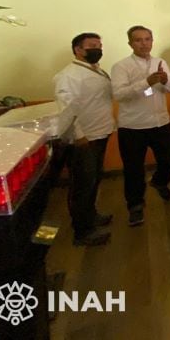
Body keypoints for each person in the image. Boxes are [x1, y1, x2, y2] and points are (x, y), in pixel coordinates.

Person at [111, 26, 170, 226]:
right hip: (133, 126)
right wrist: (146, 82)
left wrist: (166, 81)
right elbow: (119, 95)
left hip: (160, 122)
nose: (144, 43)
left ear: (152, 41)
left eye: (148, 39)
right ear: (130, 44)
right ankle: (135, 206)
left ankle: (159, 181)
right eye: (139, 40)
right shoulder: (121, 66)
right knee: (133, 169)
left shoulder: (161, 62)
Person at [53, 32, 114, 246]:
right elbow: (66, 109)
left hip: (100, 132)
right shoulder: (69, 75)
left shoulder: (96, 70)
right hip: (83, 139)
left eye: (99, 44)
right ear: (78, 50)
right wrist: (78, 135)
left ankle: (91, 216)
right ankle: (82, 231)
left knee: (94, 178)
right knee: (82, 184)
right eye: (92, 46)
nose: (97, 48)